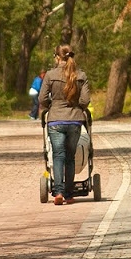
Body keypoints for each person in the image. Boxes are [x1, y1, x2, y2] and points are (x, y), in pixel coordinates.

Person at [39, 44, 91, 205]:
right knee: (70, 157)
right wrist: (77, 108)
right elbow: (85, 100)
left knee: (58, 155)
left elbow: (42, 98)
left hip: (55, 120)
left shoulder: (50, 74)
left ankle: (58, 192)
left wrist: (52, 107)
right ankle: (68, 194)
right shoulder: (81, 75)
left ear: (57, 57)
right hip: (75, 120)